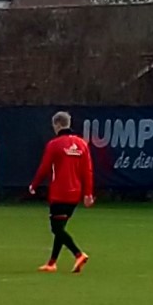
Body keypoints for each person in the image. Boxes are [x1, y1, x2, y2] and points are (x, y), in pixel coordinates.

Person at [30, 111, 95, 272]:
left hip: (59, 192)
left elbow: (44, 167)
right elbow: (88, 171)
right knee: (61, 228)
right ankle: (52, 263)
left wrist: (34, 185)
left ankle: (78, 254)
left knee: (56, 229)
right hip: (75, 193)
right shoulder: (82, 144)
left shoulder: (54, 144)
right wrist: (88, 193)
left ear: (57, 125)